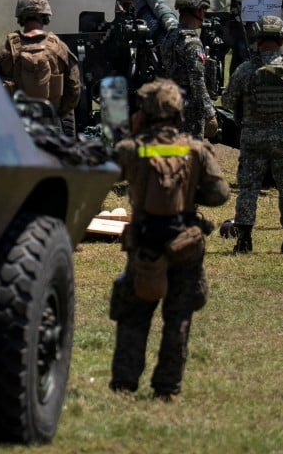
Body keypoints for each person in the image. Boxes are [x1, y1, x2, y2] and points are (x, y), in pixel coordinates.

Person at [109, 79, 231, 402]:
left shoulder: (131, 150)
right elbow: (220, 195)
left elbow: (105, 174)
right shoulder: (195, 150)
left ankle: (124, 384)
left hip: (144, 243)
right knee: (178, 318)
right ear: (178, 112)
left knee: (134, 315)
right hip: (186, 244)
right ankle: (167, 388)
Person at [221, 15, 283, 254]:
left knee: (248, 188)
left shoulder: (245, 70)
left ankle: (244, 241)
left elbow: (227, 101)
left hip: (252, 139)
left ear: (257, 40)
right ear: (281, 39)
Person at [0, 0, 82, 134]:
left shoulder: (7, 49)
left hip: (16, 128)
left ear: (20, 16)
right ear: (45, 15)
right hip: (50, 129)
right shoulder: (59, 48)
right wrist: (56, 113)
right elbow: (74, 90)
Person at [160, 0, 219, 139]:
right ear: (199, 11)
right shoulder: (192, 42)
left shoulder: (170, 36)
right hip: (189, 111)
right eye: (204, 11)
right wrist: (210, 113)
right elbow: (197, 81)